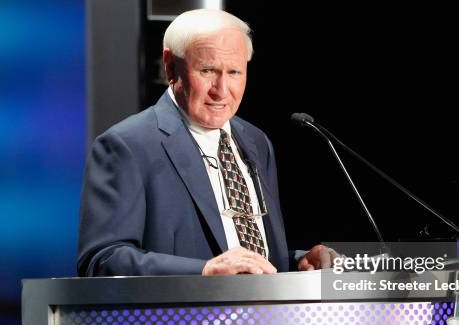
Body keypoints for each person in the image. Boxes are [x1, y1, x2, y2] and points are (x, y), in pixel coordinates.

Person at [77, 9, 337, 278]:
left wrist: (298, 261)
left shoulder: (256, 141)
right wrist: (203, 271)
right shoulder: (127, 145)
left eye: (235, 72)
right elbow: (102, 259)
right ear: (170, 66)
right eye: (208, 70)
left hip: (267, 317)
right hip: (184, 318)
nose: (221, 90)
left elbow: (248, 252)